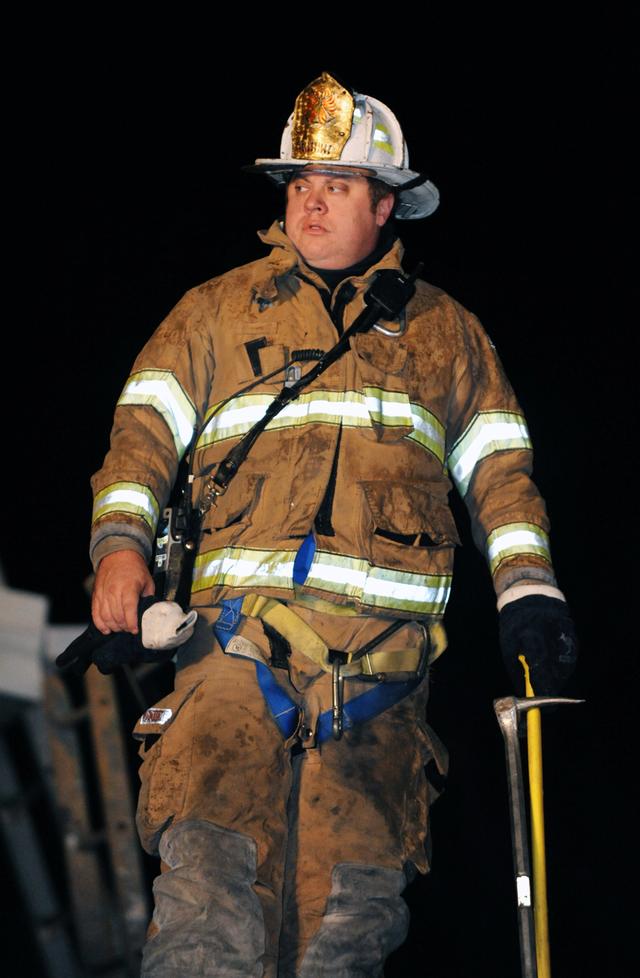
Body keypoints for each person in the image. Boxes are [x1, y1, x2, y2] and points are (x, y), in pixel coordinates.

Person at [87, 73, 577, 977]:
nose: (310, 205)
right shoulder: (215, 311)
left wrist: (528, 591)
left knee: (344, 934)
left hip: (379, 689)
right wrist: (119, 549)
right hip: (228, 660)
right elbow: (140, 438)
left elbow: (502, 477)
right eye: (299, 186)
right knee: (207, 907)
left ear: (386, 205)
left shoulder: (448, 338)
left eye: (337, 187)